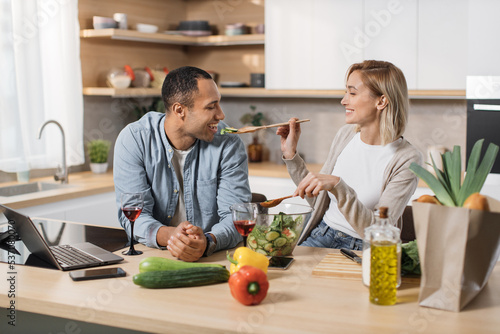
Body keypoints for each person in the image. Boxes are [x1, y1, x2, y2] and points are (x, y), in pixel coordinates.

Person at [277, 60, 423, 250]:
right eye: (346, 92)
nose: (343, 100)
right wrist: (291, 156)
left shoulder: (407, 159)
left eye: (352, 93)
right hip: (321, 234)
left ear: (381, 101)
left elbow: (379, 230)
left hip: (363, 247)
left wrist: (339, 187)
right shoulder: (345, 135)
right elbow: (319, 201)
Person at [114, 66, 251, 261]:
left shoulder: (228, 143)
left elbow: (237, 216)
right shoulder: (135, 139)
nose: (221, 115)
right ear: (180, 110)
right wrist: (172, 236)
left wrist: (208, 241)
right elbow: (134, 216)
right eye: (211, 107)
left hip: (213, 258)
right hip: (153, 258)